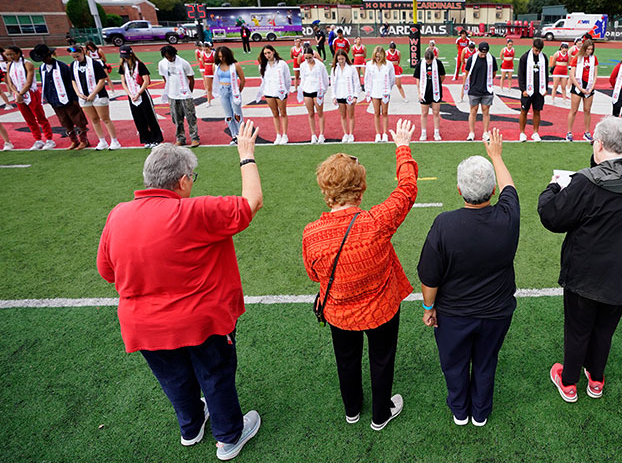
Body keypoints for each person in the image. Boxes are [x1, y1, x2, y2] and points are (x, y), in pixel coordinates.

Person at [97, 121, 264, 461]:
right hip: (200, 320)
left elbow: (107, 271)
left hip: (142, 323)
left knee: (173, 378)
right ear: (183, 179)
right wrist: (246, 156)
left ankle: (190, 427)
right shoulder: (194, 211)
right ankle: (229, 437)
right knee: (215, 375)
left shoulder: (118, 215)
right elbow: (252, 202)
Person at [539, 117, 622, 402]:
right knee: (604, 329)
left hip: (585, 273)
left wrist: (553, 188)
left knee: (578, 329)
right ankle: (596, 379)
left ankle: (570, 381)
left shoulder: (586, 182)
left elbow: (552, 217)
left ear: (598, 143)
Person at [301, 119, 419, 432]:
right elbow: (407, 189)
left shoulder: (312, 233)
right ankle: (380, 414)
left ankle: (352, 409)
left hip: (339, 310)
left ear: (326, 189)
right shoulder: (376, 221)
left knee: (347, 359)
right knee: (382, 359)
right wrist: (402, 147)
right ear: (361, 187)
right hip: (381, 309)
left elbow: (314, 274)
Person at [418, 128, 517, 426]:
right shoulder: (508, 216)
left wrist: (428, 308)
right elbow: (509, 186)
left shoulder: (444, 224)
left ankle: (460, 411)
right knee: (486, 363)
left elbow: (429, 276)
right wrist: (496, 156)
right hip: (496, 313)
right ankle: (480, 413)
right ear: (493, 192)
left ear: (459, 191)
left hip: (454, 315)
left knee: (454, 365)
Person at [30, 44, 90, 150]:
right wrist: (48, 98)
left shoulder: (62, 66)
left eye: (44, 57)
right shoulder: (42, 68)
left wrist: (75, 98)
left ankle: (84, 140)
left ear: (50, 55)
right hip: (54, 99)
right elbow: (45, 84)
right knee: (64, 120)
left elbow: (70, 83)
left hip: (68, 98)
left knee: (77, 118)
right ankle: (73, 140)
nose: (43, 60)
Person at [70, 45, 121, 150]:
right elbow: (73, 81)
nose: (76, 59)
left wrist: (93, 93)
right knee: (94, 119)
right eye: (74, 57)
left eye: (77, 56)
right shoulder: (73, 65)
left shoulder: (95, 64)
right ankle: (102, 141)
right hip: (84, 97)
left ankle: (114, 141)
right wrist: (78, 94)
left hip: (98, 95)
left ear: (83, 52)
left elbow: (102, 80)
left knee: (105, 118)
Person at [4, 45, 54, 150]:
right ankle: (38, 140)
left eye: (12, 54)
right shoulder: (9, 65)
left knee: (40, 117)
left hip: (31, 93)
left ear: (18, 53)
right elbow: (10, 81)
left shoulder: (27, 64)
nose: (10, 57)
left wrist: (21, 94)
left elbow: (29, 81)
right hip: (18, 94)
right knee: (29, 119)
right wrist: (16, 93)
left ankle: (49, 139)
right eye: (8, 55)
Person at [119, 45, 164, 148]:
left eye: (126, 56)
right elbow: (123, 82)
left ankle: (156, 138)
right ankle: (146, 139)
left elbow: (146, 81)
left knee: (150, 117)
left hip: (142, 94)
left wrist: (138, 93)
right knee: (138, 119)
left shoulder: (139, 65)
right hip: (131, 96)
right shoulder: (123, 66)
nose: (125, 58)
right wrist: (130, 95)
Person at [158, 45, 199, 148]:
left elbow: (191, 78)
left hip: (185, 95)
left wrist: (189, 91)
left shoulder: (184, 63)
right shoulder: (162, 64)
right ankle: (180, 138)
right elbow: (164, 77)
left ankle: (194, 137)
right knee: (176, 118)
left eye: (170, 57)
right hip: (172, 95)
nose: (169, 59)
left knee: (191, 117)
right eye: (167, 57)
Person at [255, 45, 292, 145]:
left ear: (273, 52)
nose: (267, 55)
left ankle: (285, 134)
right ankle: (278, 135)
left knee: (283, 113)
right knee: (275, 114)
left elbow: (288, 79)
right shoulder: (262, 65)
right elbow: (263, 80)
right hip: (269, 92)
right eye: (265, 54)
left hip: (280, 92)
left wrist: (286, 90)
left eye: (269, 53)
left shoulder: (282, 64)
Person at [462, 42, 498, 142]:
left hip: (487, 89)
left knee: (486, 111)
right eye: (481, 53)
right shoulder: (471, 59)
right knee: (473, 111)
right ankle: (471, 132)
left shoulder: (491, 59)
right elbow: (467, 73)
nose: (483, 55)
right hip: (474, 89)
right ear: (478, 50)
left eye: (485, 53)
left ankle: (485, 132)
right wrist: (466, 86)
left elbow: (494, 73)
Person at [566, 38, 599, 143]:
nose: (589, 51)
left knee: (587, 110)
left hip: (589, 86)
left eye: (591, 49)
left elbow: (595, 75)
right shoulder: (577, 58)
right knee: (574, 110)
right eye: (588, 49)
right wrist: (580, 88)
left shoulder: (594, 59)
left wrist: (592, 87)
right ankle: (569, 132)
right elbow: (572, 74)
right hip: (578, 86)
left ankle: (587, 132)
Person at [516, 38, 547, 143]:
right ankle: (522, 133)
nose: (537, 53)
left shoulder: (544, 58)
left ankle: (535, 132)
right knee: (524, 111)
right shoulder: (525, 58)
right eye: (536, 50)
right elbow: (520, 74)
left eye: (539, 51)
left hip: (539, 90)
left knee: (537, 111)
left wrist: (545, 87)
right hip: (527, 90)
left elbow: (546, 74)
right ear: (533, 47)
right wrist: (523, 89)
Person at [213, 46, 246, 146]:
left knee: (237, 114)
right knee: (228, 115)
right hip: (223, 91)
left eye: (223, 56)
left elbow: (243, 79)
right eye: (219, 57)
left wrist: (238, 91)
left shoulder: (235, 65)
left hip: (233, 90)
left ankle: (241, 134)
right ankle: (234, 135)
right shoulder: (216, 66)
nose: (221, 59)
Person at [413, 47, 446, 141]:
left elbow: (443, 76)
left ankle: (436, 132)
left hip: (435, 91)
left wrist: (438, 84)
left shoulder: (438, 63)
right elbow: (417, 78)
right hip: (424, 92)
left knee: (436, 112)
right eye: (427, 61)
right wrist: (419, 92)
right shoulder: (420, 64)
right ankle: (423, 133)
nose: (428, 62)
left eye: (430, 61)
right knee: (424, 113)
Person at [298, 47, 329, 144]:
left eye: (310, 58)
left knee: (320, 113)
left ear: (313, 55)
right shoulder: (303, 66)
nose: (308, 60)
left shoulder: (320, 65)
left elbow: (325, 78)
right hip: (307, 91)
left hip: (318, 90)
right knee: (310, 113)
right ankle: (313, 134)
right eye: (306, 58)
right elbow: (302, 78)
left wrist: (323, 90)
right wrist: (301, 89)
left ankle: (321, 134)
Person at [364, 46, 395, 143]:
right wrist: (368, 91)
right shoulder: (369, 65)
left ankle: (385, 133)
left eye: (379, 56)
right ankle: (378, 134)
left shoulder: (389, 65)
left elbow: (392, 79)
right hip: (374, 92)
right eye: (376, 56)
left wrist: (388, 89)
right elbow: (367, 79)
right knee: (376, 112)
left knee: (385, 112)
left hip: (385, 91)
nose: (377, 58)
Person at [330, 49, 361, 144]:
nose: (341, 61)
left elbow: (356, 82)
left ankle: (351, 133)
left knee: (351, 115)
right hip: (339, 95)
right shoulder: (334, 69)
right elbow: (333, 83)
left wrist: (356, 95)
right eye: (339, 59)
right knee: (342, 115)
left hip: (349, 95)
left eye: (342, 59)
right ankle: (345, 133)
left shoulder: (351, 68)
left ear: (345, 58)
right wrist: (334, 96)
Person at [200, 42, 215, 107]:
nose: (205, 51)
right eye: (204, 50)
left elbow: (215, 62)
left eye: (206, 49)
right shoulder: (202, 54)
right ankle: (209, 102)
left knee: (219, 86)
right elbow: (203, 63)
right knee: (208, 88)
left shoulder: (213, 53)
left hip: (214, 70)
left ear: (209, 48)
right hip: (207, 71)